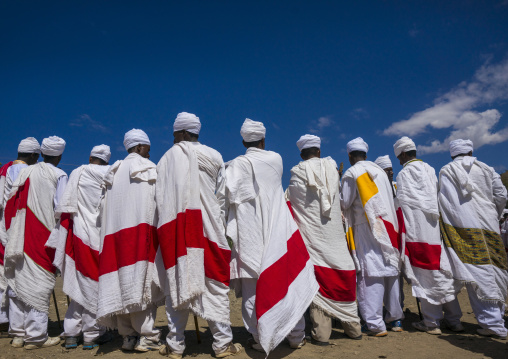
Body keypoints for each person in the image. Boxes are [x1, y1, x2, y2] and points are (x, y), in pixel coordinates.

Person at [223, 119, 318, 355]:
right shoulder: (276, 159)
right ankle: (296, 336)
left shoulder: (236, 165)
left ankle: (259, 338)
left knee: (251, 289)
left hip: (250, 233)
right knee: (287, 283)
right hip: (278, 229)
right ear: (263, 140)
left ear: (244, 141)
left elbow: (227, 191)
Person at [156, 112, 242, 359]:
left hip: (176, 230)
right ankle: (223, 344)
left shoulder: (166, 158)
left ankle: (175, 346)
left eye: (175, 135)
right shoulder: (214, 155)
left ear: (182, 133)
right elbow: (221, 196)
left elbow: (159, 198)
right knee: (214, 284)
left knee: (177, 284)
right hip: (209, 230)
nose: (174, 140)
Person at [286, 134, 361, 345]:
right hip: (335, 236)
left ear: (301, 154)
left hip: (313, 238)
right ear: (318, 151)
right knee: (342, 272)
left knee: (318, 282)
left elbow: (292, 201)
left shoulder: (296, 173)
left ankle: (321, 334)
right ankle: (353, 328)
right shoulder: (331, 169)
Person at [97, 129, 163, 352]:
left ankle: (127, 336)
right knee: (141, 284)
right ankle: (147, 336)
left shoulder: (113, 173)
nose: (149, 154)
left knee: (120, 282)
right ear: (140, 147)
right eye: (148, 150)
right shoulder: (150, 169)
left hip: (115, 238)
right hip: (140, 236)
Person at [438, 139, 508, 339]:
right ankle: (497, 319)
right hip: (490, 226)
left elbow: (445, 201)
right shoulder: (487, 169)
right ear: (470, 151)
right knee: (496, 269)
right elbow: (501, 194)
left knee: (475, 272)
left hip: (462, 228)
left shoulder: (447, 170)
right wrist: (493, 214)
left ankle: (491, 323)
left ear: (453, 154)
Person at [46, 145, 113, 350]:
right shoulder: (111, 173)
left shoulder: (78, 172)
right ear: (106, 160)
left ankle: (71, 334)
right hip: (101, 236)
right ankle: (92, 335)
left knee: (77, 287)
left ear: (90, 157)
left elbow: (65, 205)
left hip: (79, 235)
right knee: (95, 286)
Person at [4, 136, 67, 349]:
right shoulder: (58, 174)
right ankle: (36, 336)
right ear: (59, 155)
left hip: (18, 233)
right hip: (43, 235)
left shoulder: (25, 172)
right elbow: (61, 208)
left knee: (19, 281)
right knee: (39, 283)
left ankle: (19, 334)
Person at [394, 136, 462, 335]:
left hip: (417, 231)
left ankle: (432, 322)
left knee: (424, 274)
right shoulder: (430, 169)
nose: (399, 161)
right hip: (434, 230)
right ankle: (454, 320)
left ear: (404, 154)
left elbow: (403, 204)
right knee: (442, 271)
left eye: (399, 157)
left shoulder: (404, 174)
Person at [340, 137, 403, 337]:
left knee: (370, 271)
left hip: (366, 226)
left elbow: (345, 202)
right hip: (387, 225)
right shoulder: (380, 172)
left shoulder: (353, 172)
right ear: (366, 154)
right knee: (390, 268)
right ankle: (395, 317)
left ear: (350, 156)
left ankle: (375, 323)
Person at [0, 137, 41, 336]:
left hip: (5, 226)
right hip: (20, 227)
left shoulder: (4, 170)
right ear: (33, 155)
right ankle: (24, 326)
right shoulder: (28, 172)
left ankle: (10, 323)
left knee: (8, 274)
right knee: (23, 274)